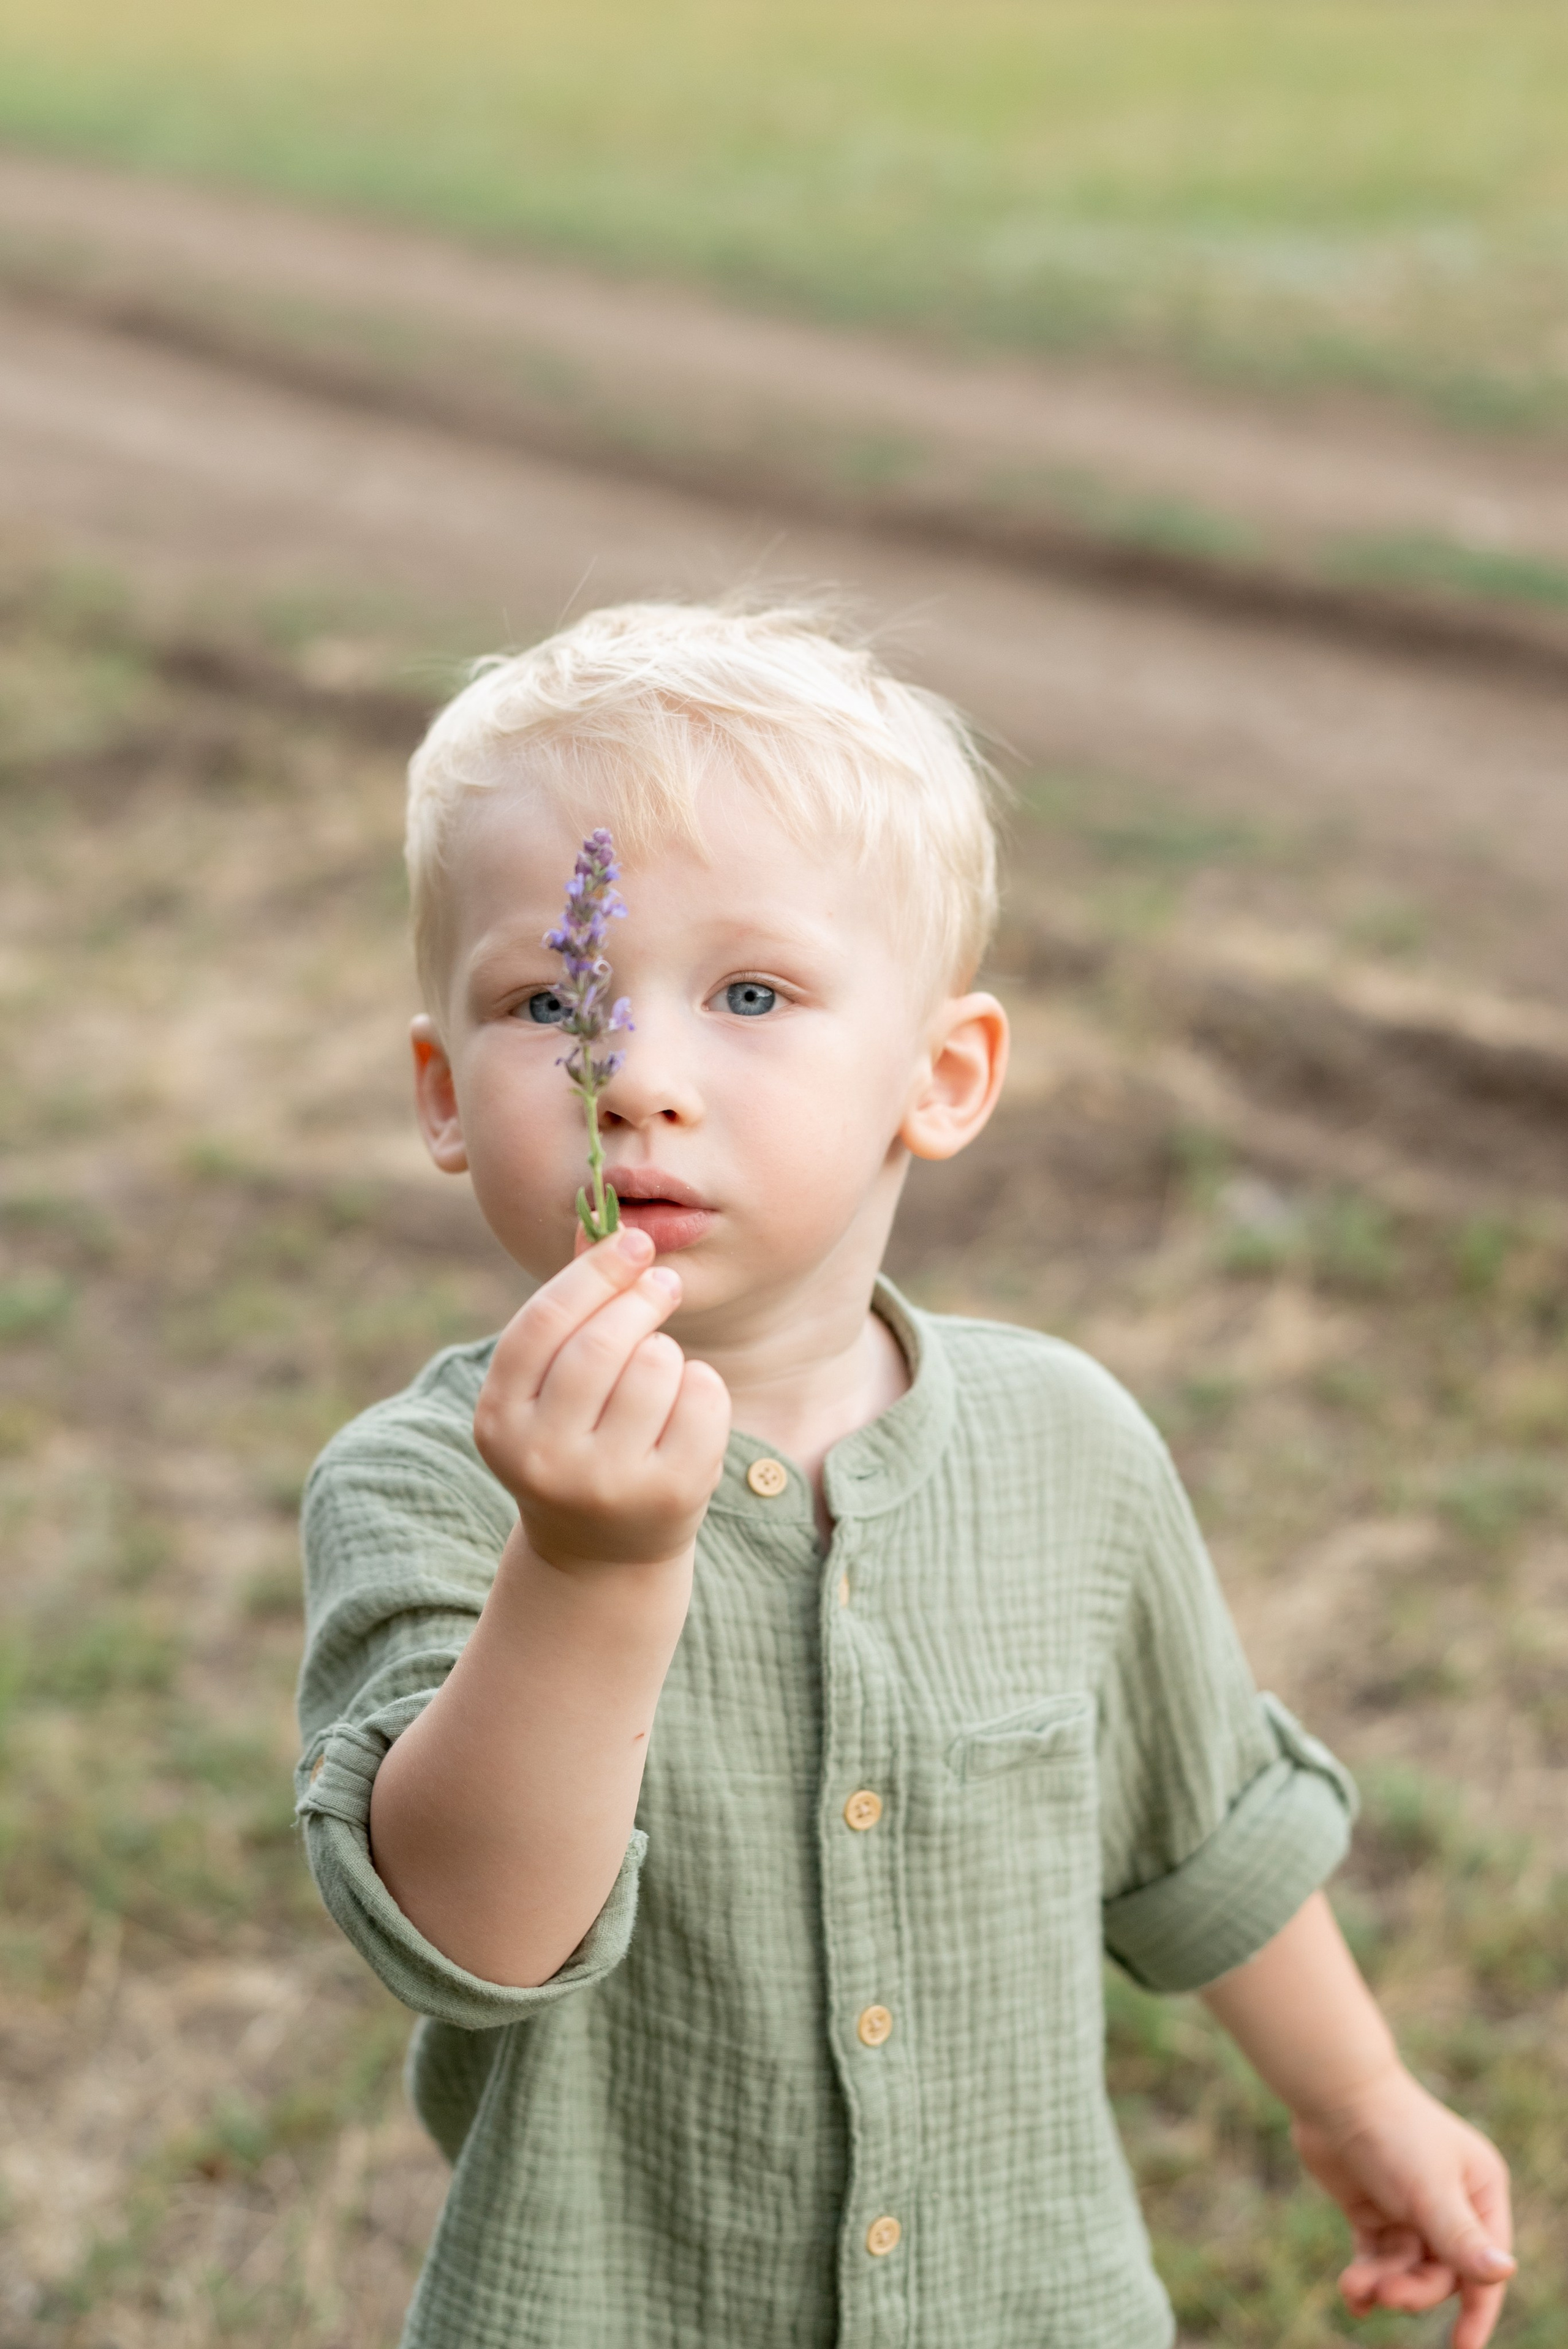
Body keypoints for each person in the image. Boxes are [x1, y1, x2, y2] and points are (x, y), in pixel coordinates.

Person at [295, 600, 1513, 2349]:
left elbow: (1202, 1829)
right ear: (439, 1093)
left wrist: (1361, 2096)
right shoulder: (428, 1484)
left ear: (941, 1076)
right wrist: (585, 1566)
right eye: (550, 1001)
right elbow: (473, 1936)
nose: (636, 1075)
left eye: (753, 992)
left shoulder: (1067, 1447)